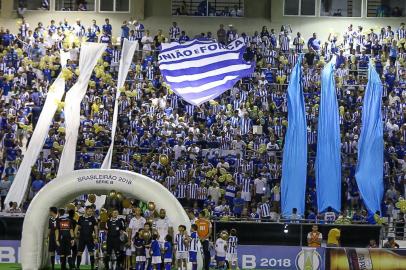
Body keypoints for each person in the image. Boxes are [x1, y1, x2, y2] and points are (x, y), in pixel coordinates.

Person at [75, 205, 98, 270]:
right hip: (82, 238)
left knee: (91, 253)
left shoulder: (93, 218)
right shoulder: (80, 218)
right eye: (89, 211)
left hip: (90, 238)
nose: (90, 212)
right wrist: (75, 235)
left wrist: (96, 238)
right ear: (85, 211)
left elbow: (96, 228)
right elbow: (77, 227)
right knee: (79, 253)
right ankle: (78, 267)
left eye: (91, 211)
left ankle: (92, 267)